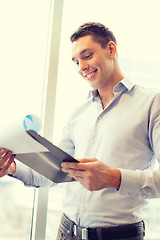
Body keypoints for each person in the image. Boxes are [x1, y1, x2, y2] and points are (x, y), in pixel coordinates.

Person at [0, 22, 160, 240]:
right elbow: (54, 174)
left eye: (87, 55)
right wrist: (11, 167)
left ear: (111, 50)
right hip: (67, 232)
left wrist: (115, 178)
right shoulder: (78, 114)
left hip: (119, 235)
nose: (81, 66)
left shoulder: (152, 103)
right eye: (76, 61)